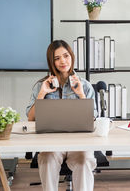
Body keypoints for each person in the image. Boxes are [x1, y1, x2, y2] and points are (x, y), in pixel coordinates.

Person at [26, 40, 97, 191]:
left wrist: (81, 94)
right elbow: (30, 118)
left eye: (66, 56)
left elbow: (92, 120)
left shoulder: (85, 86)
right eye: (57, 58)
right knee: (46, 158)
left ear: (72, 56)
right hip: (51, 142)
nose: (63, 61)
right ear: (51, 62)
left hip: (79, 143)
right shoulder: (41, 85)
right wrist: (43, 93)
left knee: (84, 160)